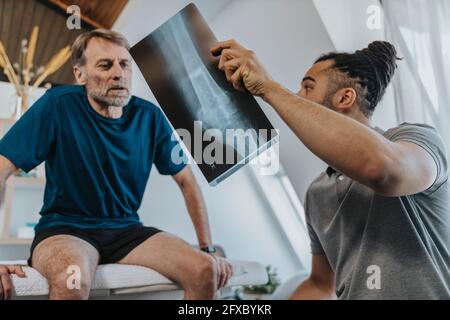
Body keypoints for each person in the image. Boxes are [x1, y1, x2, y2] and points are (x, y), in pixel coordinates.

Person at [0, 29, 233, 300]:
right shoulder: (58, 105)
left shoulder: (149, 117)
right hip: (65, 229)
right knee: (71, 280)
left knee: (204, 269)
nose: (118, 73)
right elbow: (3, 167)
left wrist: (207, 249)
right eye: (105, 64)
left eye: (124, 64)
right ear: (80, 74)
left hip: (126, 231)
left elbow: (187, 181)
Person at [211, 39, 449, 299]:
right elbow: (320, 284)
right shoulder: (316, 193)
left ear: (345, 97)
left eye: (307, 87)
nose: (297, 96)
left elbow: (382, 170)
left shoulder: (415, 139)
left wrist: (269, 88)